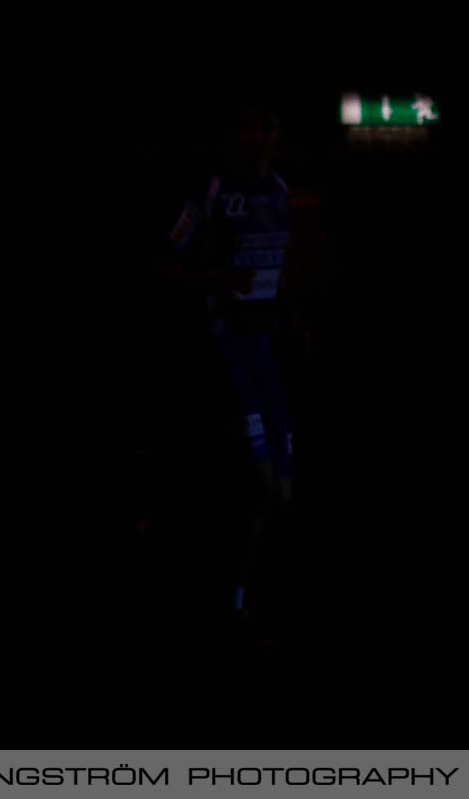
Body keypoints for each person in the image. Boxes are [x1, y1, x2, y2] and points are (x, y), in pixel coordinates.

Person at [163, 102, 306, 636]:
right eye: (251, 126)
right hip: (227, 352)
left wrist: (295, 318)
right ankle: (228, 597)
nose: (261, 136)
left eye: (270, 126)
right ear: (237, 134)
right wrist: (217, 280)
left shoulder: (281, 192)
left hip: (267, 356)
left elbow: (281, 266)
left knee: (282, 495)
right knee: (257, 482)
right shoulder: (214, 191)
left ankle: (247, 593)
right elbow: (167, 261)